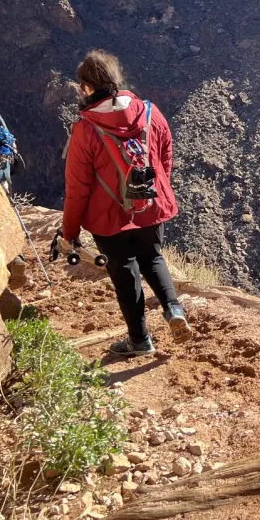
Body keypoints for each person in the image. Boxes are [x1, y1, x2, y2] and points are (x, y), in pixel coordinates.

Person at [61, 49, 192, 356]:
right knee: (153, 257)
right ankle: (174, 309)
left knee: (124, 272)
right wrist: (155, 189)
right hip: (149, 206)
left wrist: (70, 231)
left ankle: (140, 340)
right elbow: (165, 154)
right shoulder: (149, 112)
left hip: (109, 219)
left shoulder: (86, 129)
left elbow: (77, 188)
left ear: (87, 87)